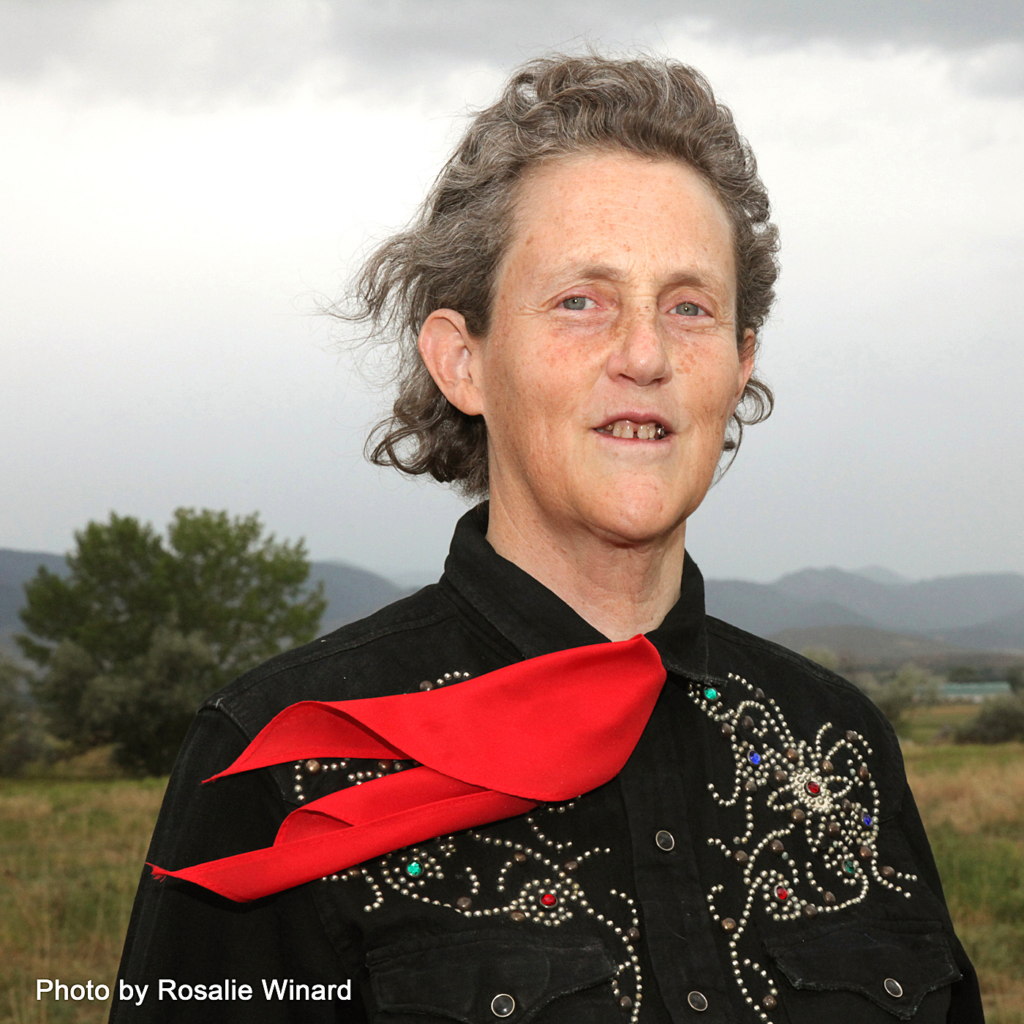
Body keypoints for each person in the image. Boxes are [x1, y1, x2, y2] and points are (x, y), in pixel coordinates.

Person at [112, 54, 983, 1023]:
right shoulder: (283, 759)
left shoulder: (840, 743)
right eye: (582, 300)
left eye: (689, 307)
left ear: (738, 368)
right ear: (462, 361)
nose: (645, 354)